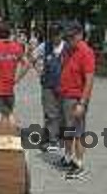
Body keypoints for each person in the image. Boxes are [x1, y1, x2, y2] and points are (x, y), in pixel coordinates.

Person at [58, 23, 95, 180]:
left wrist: (82, 103)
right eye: (67, 37)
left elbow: (89, 80)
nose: (68, 40)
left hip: (76, 97)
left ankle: (79, 163)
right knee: (67, 130)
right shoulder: (68, 50)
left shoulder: (85, 52)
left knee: (78, 132)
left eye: (71, 37)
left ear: (80, 35)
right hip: (65, 95)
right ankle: (68, 156)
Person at [0, 21, 30, 122]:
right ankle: (13, 135)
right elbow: (27, 64)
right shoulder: (16, 47)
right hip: (9, 87)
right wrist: (17, 79)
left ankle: (0, 135)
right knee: (9, 113)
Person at [31, 23, 66, 152]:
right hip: (48, 85)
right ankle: (51, 140)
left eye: (56, 35)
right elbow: (32, 57)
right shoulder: (45, 46)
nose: (54, 38)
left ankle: (60, 138)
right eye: (52, 35)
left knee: (63, 112)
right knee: (50, 113)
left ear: (61, 34)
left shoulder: (67, 47)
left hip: (64, 85)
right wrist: (39, 70)